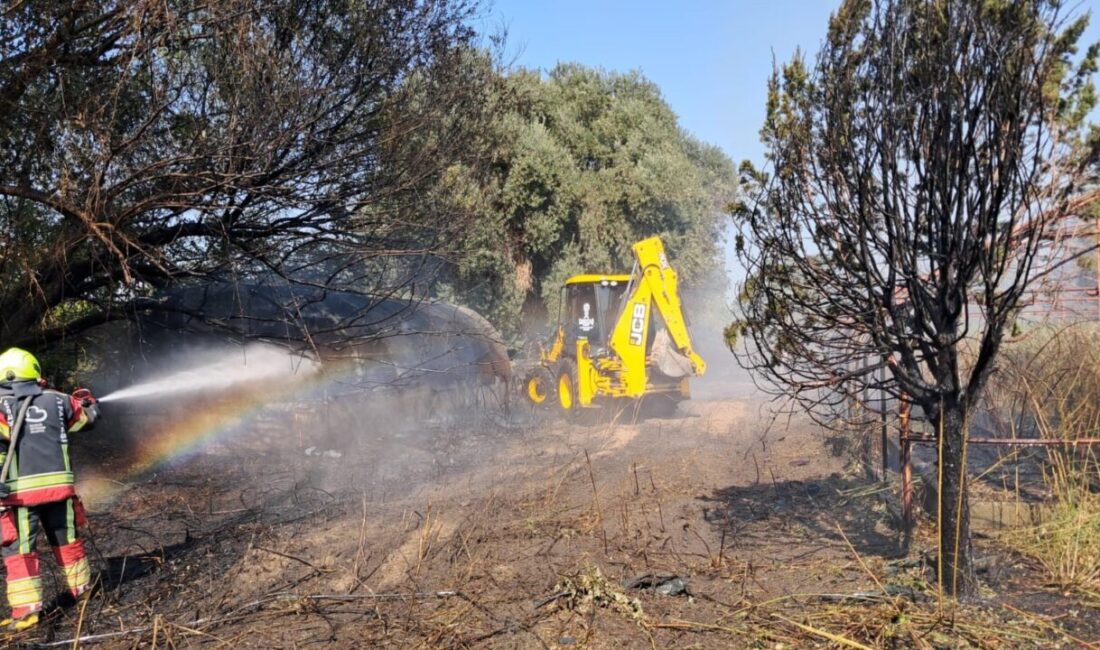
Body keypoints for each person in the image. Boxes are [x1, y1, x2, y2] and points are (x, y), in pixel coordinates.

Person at [0, 348, 98, 630]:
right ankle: (82, 590)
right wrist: (90, 403)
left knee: (19, 551)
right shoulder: (59, 400)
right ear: (34, 370)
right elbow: (86, 420)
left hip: (18, 496)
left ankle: (27, 612)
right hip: (60, 492)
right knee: (67, 542)